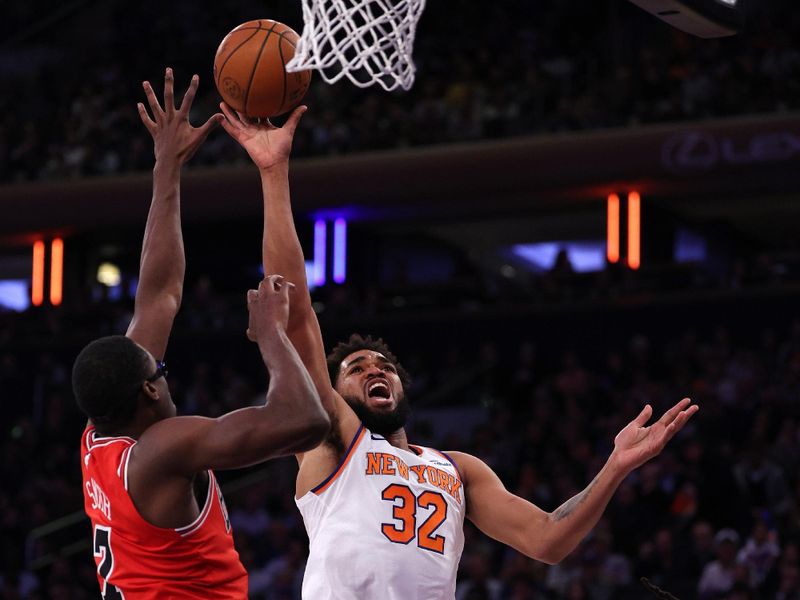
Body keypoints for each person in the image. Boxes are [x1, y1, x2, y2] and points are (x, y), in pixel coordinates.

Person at [220, 102, 699, 599]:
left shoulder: (458, 468)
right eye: (356, 369)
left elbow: (547, 539)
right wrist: (274, 174)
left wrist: (615, 467)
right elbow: (296, 311)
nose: (373, 371)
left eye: (383, 365)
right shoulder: (332, 438)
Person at [73, 70, 329, 599]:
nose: (164, 373)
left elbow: (160, 293)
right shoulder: (161, 450)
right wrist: (271, 335)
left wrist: (167, 168)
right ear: (148, 389)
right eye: (159, 372)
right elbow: (305, 421)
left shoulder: (102, 439)